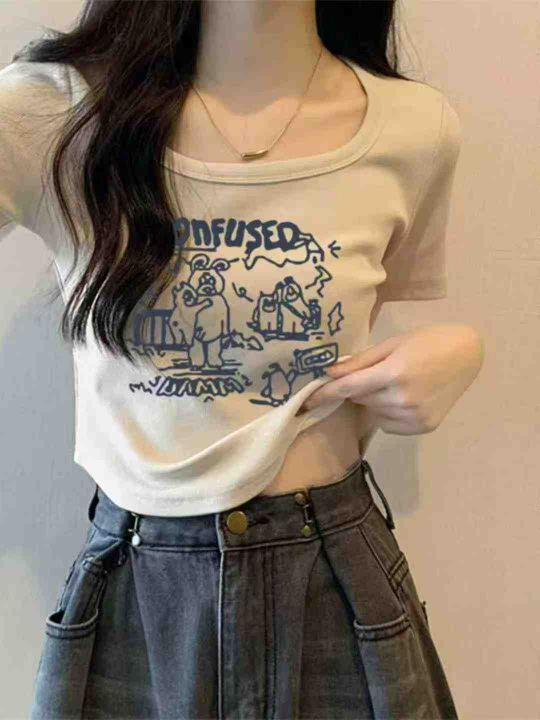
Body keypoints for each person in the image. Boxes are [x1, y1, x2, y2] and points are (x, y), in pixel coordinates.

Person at [0, 0, 483, 717]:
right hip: (138, 588)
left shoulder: (414, 128)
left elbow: (352, 332)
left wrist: (467, 349)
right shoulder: (51, 114)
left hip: (335, 574)